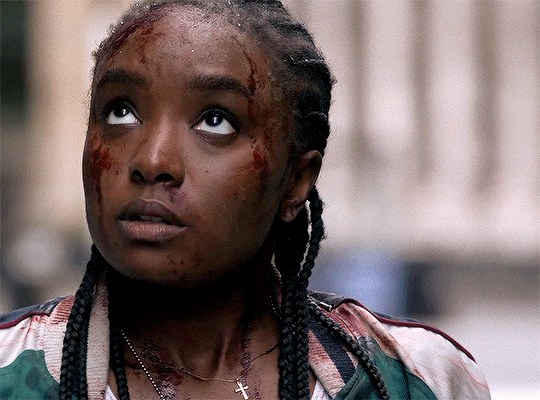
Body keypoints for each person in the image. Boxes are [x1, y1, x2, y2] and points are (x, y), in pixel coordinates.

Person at [0, 1, 491, 399]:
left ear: (296, 181)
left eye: (215, 120)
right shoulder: (13, 372)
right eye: (120, 112)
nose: (152, 160)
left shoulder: (415, 379)